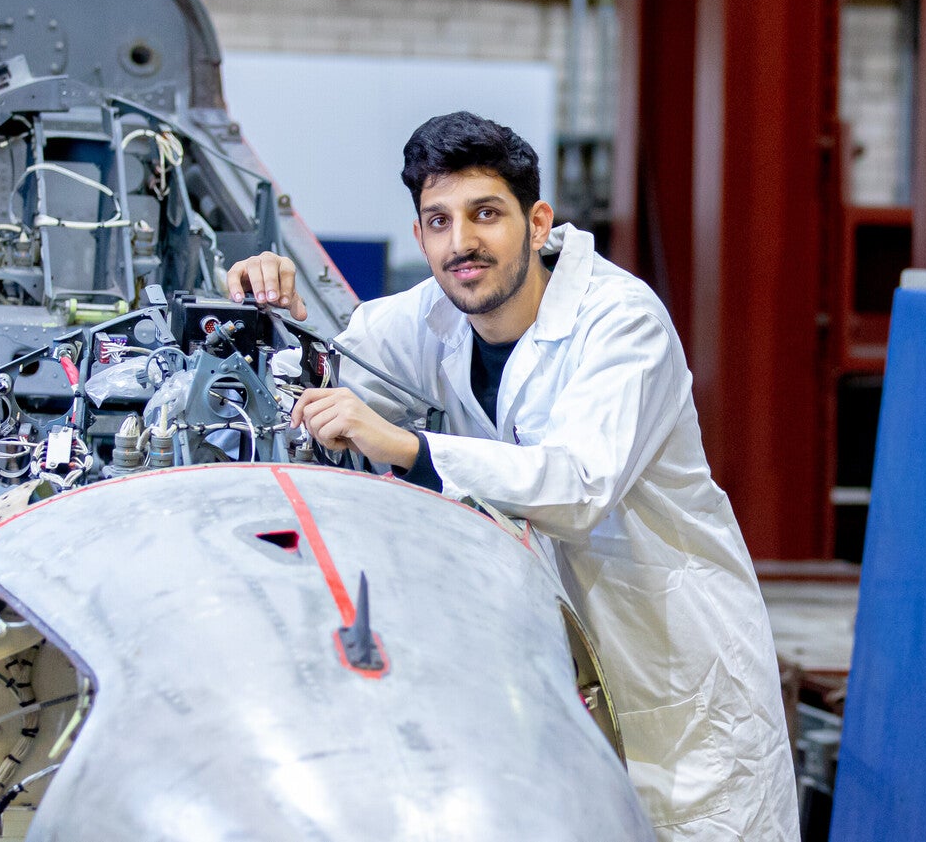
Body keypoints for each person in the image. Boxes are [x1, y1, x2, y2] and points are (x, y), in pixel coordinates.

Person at [226, 111, 798, 840]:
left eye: (485, 214)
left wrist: (406, 445)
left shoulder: (621, 323)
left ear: (536, 223)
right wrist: (266, 302)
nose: (461, 243)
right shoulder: (434, 315)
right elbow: (319, 373)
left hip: (676, 683)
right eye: (438, 221)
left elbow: (579, 484)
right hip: (548, 676)